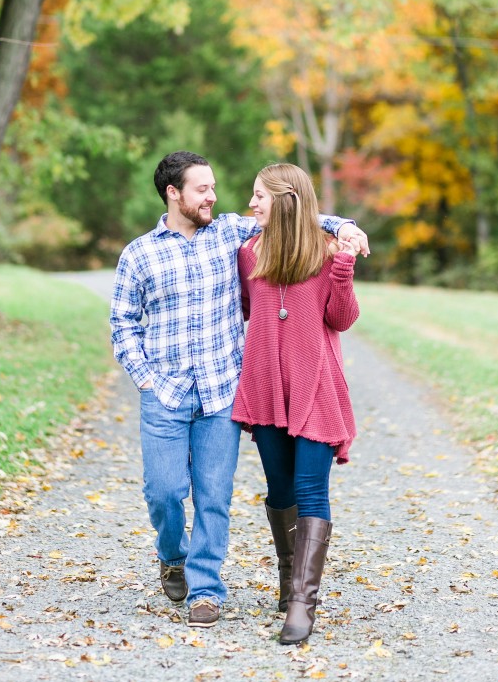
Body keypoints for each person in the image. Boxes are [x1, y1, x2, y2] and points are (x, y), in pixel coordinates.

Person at [110, 151, 368, 629]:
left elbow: (302, 215)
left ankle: (216, 591)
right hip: (175, 393)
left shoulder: (231, 232)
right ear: (174, 193)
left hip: (225, 389)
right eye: (202, 189)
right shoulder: (148, 252)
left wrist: (347, 229)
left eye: (215, 187)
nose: (217, 197)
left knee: (216, 494)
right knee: (165, 493)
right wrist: (145, 378)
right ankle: (173, 556)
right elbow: (123, 323)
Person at [231, 163, 360, 645]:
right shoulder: (249, 253)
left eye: (259, 196)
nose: (253, 204)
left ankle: (304, 602)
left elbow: (341, 319)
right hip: (266, 388)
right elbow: (250, 309)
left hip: (315, 387)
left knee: (310, 488)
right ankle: (288, 582)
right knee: (279, 490)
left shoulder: (327, 253)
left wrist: (344, 269)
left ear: (285, 199)